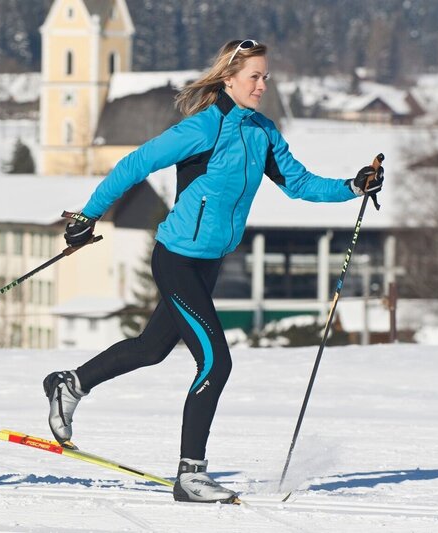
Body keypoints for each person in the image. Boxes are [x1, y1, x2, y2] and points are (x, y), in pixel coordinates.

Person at [44, 39, 383, 504]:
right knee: (216, 362)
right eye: (254, 77)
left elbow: (298, 184)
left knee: (151, 347)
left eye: (266, 77)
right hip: (176, 259)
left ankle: (71, 383)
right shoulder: (204, 127)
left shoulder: (262, 132)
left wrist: (352, 185)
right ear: (229, 79)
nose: (263, 85)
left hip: (209, 263)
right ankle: (191, 474)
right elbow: (135, 163)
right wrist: (89, 214)